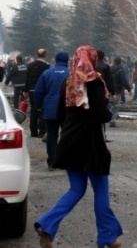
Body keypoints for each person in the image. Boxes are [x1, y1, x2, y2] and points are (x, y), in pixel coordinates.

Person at [34, 45, 122, 248]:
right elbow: (100, 114)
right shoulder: (94, 82)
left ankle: (47, 225)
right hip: (90, 144)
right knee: (101, 190)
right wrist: (108, 114)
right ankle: (107, 237)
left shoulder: (69, 81)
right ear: (92, 59)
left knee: (76, 189)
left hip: (69, 142)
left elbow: (59, 114)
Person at [34, 51, 70, 171]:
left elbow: (38, 91)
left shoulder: (47, 73)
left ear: (55, 60)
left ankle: (52, 162)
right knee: (66, 135)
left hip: (50, 109)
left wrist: (38, 105)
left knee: (52, 136)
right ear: (67, 61)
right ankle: (65, 160)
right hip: (67, 110)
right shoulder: (71, 74)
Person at [24, 48, 50, 138]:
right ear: (45, 55)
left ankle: (33, 131)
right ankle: (42, 131)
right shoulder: (46, 66)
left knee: (33, 111)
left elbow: (27, 78)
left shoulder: (30, 65)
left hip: (31, 89)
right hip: (42, 90)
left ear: (37, 55)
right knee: (42, 110)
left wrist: (25, 90)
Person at [109, 57, 132, 128]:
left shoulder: (109, 69)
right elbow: (124, 81)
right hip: (117, 90)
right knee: (115, 106)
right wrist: (129, 89)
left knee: (109, 104)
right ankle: (112, 121)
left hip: (109, 89)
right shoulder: (121, 70)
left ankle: (107, 118)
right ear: (120, 62)